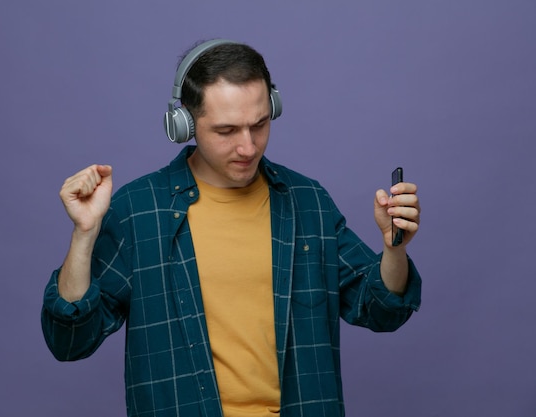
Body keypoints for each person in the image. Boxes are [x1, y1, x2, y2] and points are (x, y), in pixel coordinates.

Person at [41, 39, 422, 417]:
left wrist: (394, 248)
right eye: (226, 131)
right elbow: (71, 340)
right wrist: (84, 235)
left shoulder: (307, 201)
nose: (248, 147)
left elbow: (381, 310)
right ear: (184, 124)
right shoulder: (139, 210)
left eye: (259, 124)